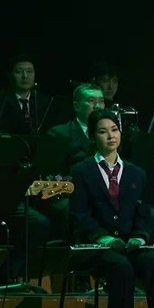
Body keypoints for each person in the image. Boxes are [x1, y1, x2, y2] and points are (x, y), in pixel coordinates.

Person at [67, 109, 154, 308]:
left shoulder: (137, 173)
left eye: (114, 130)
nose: (110, 136)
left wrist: (139, 236)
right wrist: (103, 238)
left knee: (153, 262)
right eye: (103, 132)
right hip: (95, 246)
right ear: (92, 137)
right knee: (121, 266)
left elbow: (145, 212)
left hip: (129, 244)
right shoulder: (81, 171)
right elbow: (79, 214)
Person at [42, 82, 108, 241]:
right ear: (76, 106)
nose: (97, 106)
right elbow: (52, 178)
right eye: (91, 101)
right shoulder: (59, 133)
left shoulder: (112, 134)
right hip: (68, 194)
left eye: (101, 101)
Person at [0, 54, 51, 135]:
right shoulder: (0, 101)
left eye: (30, 71)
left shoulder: (44, 101)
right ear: (9, 75)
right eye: (19, 72)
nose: (25, 76)